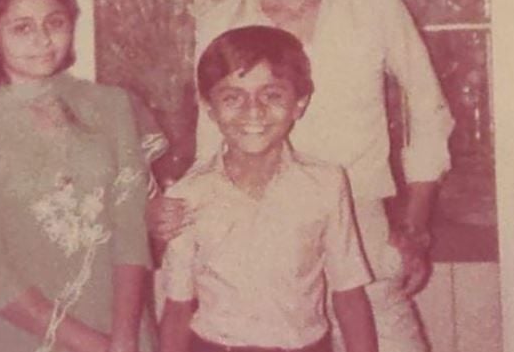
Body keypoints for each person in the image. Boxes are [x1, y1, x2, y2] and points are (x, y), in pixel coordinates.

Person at [149, 0, 454, 352]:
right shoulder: (219, 21)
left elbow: (430, 113)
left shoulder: (375, 5)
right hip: (259, 255)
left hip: (363, 235)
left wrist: (414, 225)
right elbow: (210, 144)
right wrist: (171, 214)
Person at [0, 0, 154, 352]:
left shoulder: (112, 107)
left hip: (120, 326)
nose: (42, 40)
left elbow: (131, 228)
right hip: (27, 335)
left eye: (54, 23)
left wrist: (124, 338)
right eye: (22, 28)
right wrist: (93, 345)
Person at [159, 25, 377, 352]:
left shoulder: (326, 184)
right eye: (232, 98)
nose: (253, 111)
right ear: (209, 107)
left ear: (299, 103)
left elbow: (349, 295)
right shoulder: (188, 195)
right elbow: (177, 309)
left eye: (272, 95)